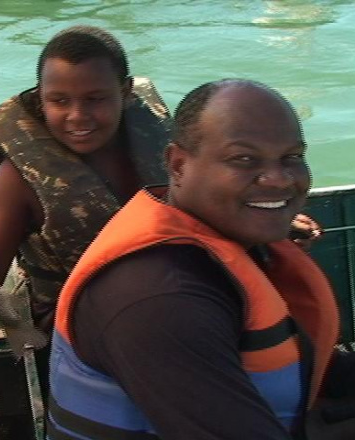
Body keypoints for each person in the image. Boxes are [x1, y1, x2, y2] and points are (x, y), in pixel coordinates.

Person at [47, 79, 355, 439]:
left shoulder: (232, 242)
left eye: (292, 157)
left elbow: (304, 368)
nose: (278, 179)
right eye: (243, 159)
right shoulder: (158, 298)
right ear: (177, 165)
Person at [0, 25, 173, 388]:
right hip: (81, 338)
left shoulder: (165, 148)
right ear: (40, 100)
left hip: (174, 309)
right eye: (59, 100)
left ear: (124, 92)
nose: (77, 115)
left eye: (95, 99)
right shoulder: (15, 181)